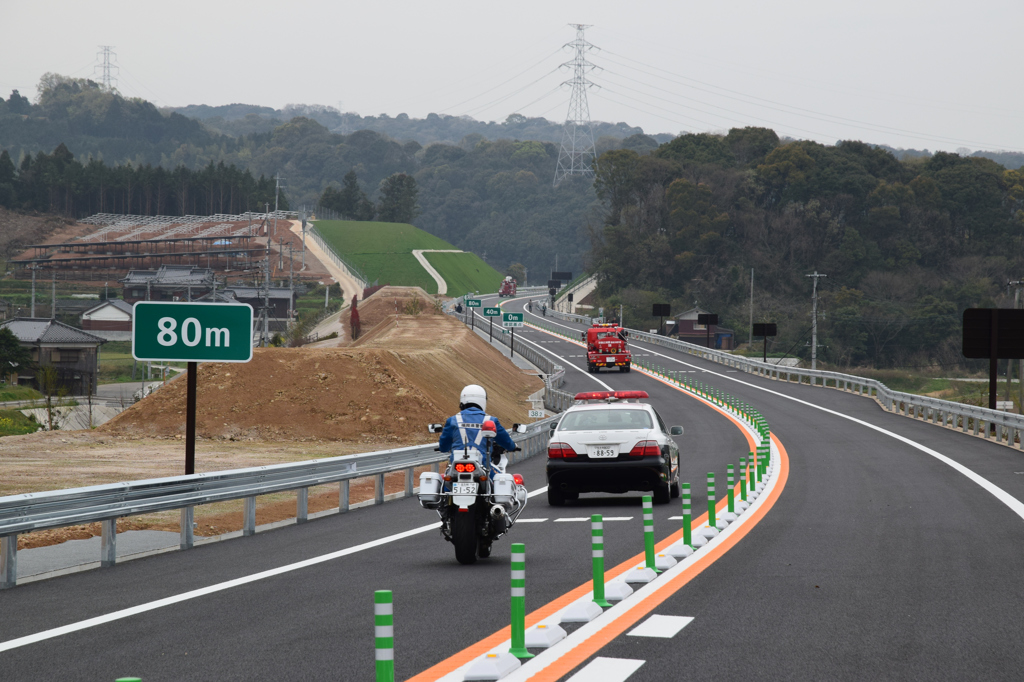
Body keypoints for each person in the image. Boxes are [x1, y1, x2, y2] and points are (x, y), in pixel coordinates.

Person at [438, 384, 516, 474]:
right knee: (497, 483)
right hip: (482, 467)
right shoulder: (491, 420)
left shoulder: (453, 420)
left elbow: (443, 447)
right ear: (483, 401)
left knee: (446, 484)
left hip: (456, 468)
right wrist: (513, 446)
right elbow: (506, 442)